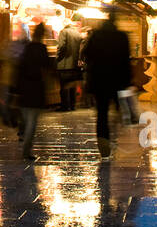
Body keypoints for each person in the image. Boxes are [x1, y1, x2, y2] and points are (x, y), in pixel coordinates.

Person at [81, 11, 133, 159]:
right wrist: (129, 81)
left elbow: (86, 53)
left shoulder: (96, 35)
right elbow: (126, 61)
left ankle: (103, 143)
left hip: (99, 80)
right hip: (117, 81)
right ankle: (113, 137)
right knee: (118, 109)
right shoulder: (121, 37)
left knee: (101, 113)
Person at [14, 24, 52, 160]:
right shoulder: (42, 49)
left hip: (24, 89)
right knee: (32, 122)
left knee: (26, 119)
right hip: (36, 89)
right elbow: (47, 68)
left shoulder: (27, 48)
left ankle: (24, 141)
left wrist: (16, 90)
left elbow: (19, 68)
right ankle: (26, 150)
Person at [55, 19, 82, 111]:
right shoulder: (77, 33)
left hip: (65, 64)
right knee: (72, 86)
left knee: (64, 86)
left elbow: (61, 46)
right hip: (74, 64)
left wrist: (57, 57)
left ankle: (65, 106)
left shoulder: (64, 32)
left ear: (64, 24)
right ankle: (72, 105)